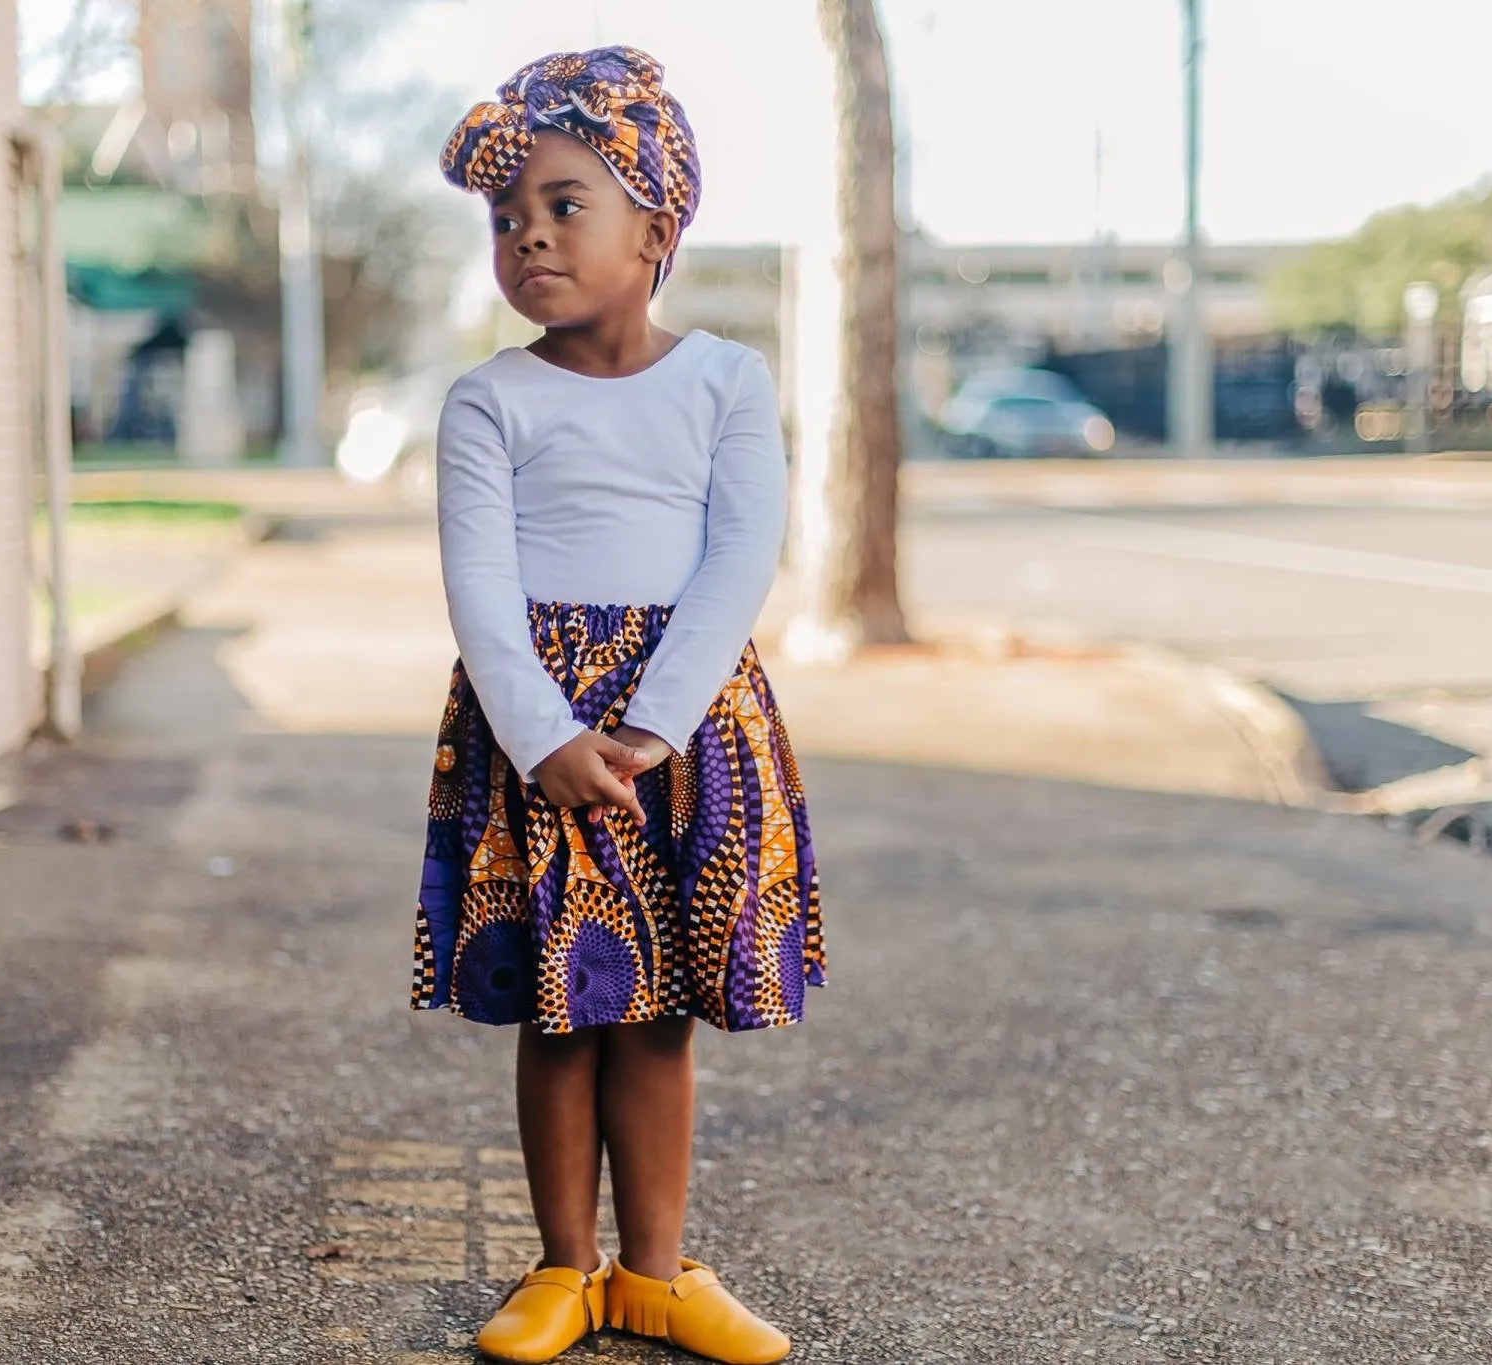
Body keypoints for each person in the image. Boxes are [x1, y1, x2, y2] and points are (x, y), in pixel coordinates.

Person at [409, 45, 825, 1365]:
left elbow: (737, 561)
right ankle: (561, 1270)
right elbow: (480, 587)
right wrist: (545, 740)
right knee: (563, 1004)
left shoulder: (725, 383)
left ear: (658, 228)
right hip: (538, 732)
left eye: (563, 204)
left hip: (683, 735)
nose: (529, 233)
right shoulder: (491, 401)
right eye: (506, 217)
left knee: (655, 1015)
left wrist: (653, 726)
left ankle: (655, 1273)